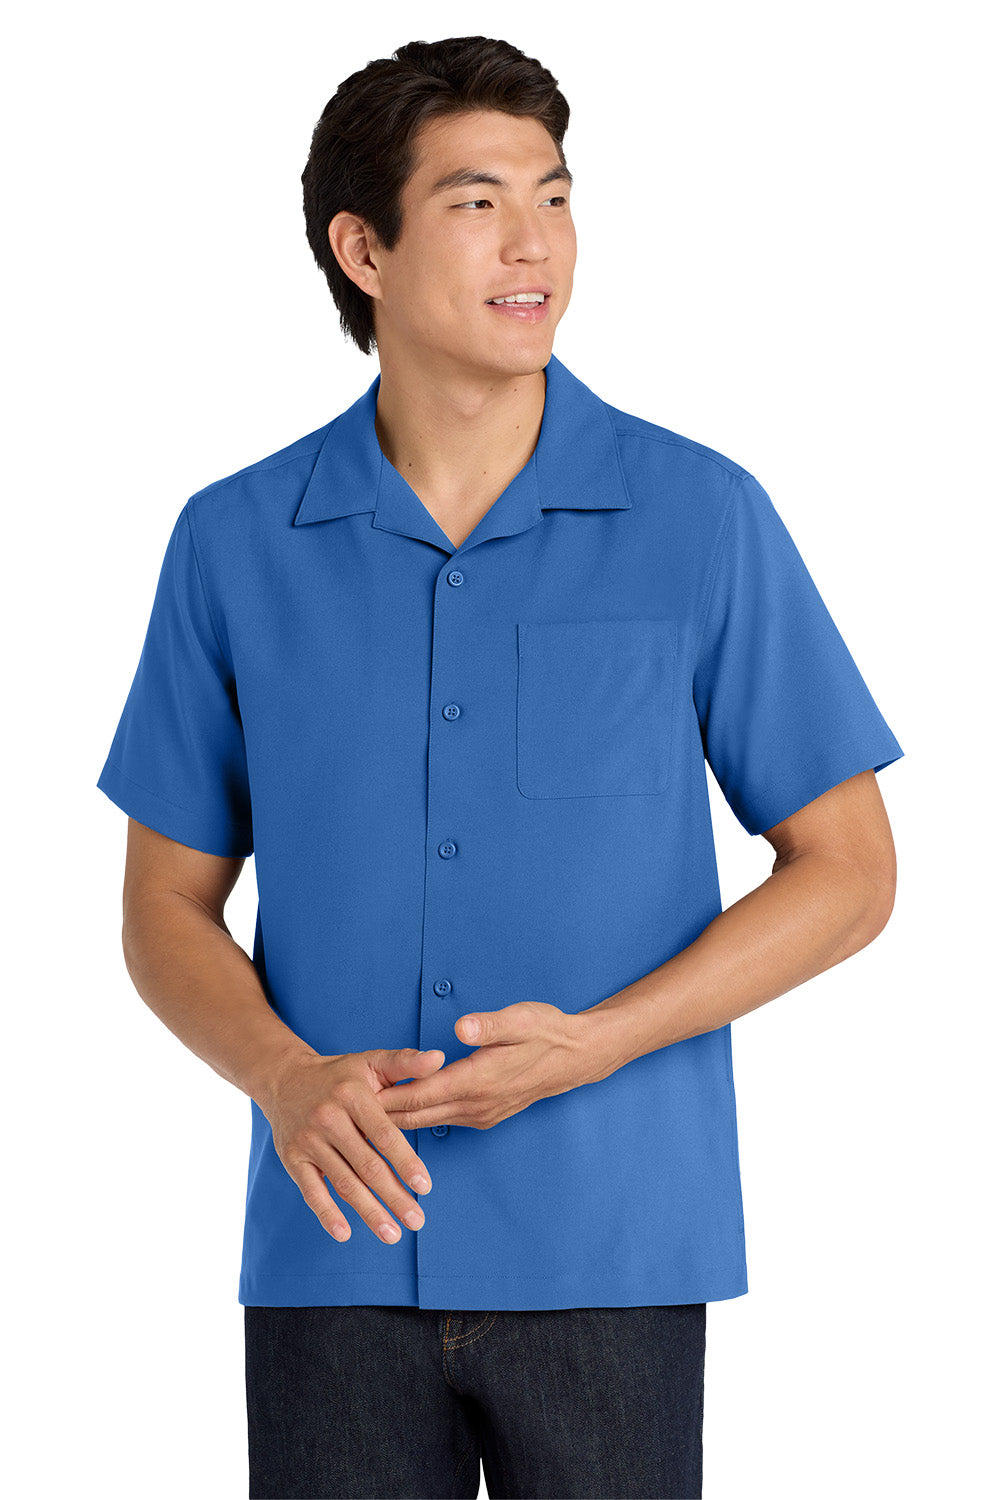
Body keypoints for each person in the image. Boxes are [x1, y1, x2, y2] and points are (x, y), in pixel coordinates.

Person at [96, 34, 904, 1500]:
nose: (535, 243)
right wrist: (280, 1076)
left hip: (614, 1248)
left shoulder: (702, 517)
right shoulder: (231, 542)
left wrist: (604, 1039)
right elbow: (162, 906)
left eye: (556, 194)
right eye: (476, 202)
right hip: (332, 1249)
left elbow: (850, 873)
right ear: (364, 248)